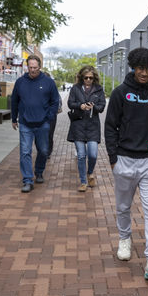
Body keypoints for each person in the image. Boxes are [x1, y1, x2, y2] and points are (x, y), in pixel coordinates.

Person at [105, 47, 148, 281]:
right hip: (124, 159)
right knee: (123, 207)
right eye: (141, 68)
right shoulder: (121, 93)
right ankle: (124, 239)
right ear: (133, 67)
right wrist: (113, 159)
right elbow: (110, 126)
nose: (144, 73)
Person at [11, 54, 59, 193]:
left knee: (43, 151)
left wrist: (49, 117)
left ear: (40, 67)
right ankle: (27, 180)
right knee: (25, 152)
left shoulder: (48, 82)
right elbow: (14, 101)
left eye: (35, 68)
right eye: (30, 67)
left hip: (43, 123)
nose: (33, 70)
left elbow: (55, 101)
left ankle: (39, 171)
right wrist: (14, 119)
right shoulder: (20, 82)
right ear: (27, 67)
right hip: (25, 122)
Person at [67, 65, 106, 191]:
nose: (88, 80)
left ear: (94, 78)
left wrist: (93, 106)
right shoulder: (75, 88)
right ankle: (83, 182)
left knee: (93, 154)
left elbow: (102, 107)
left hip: (93, 125)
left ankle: (90, 173)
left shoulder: (99, 89)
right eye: (86, 78)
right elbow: (70, 103)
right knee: (81, 155)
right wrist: (81, 106)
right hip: (78, 124)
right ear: (81, 77)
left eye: (91, 77)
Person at [44, 72, 62, 159]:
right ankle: (43, 150)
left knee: (49, 134)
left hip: (51, 115)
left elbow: (58, 100)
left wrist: (55, 110)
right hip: (40, 116)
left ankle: (48, 152)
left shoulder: (52, 87)